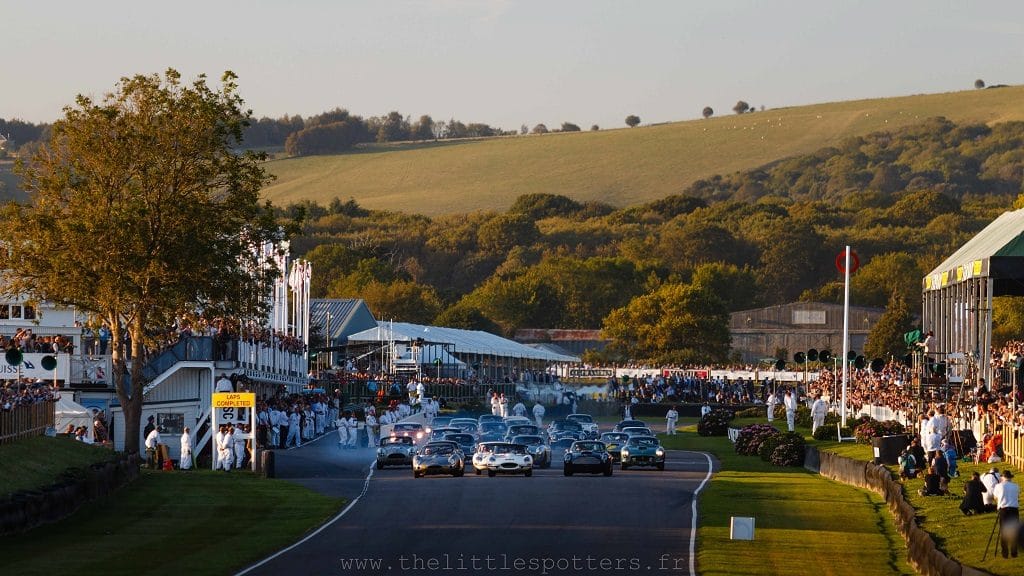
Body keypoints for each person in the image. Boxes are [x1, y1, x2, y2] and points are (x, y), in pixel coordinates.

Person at [993, 469, 1020, 558]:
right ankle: (1014, 552)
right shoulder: (1016, 486)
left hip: (1004, 510)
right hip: (1014, 509)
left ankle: (1005, 553)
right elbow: (1017, 496)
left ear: (1003, 477)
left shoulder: (998, 486)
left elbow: (995, 497)